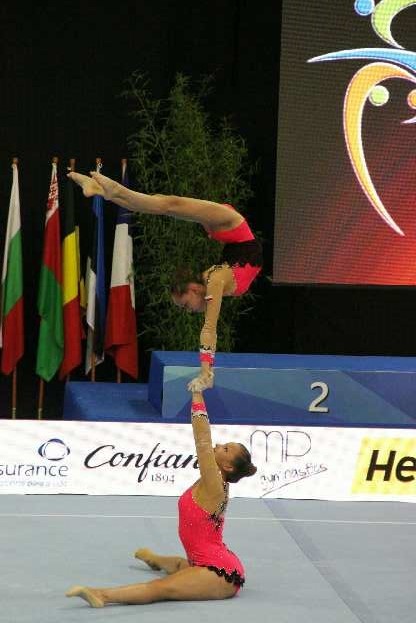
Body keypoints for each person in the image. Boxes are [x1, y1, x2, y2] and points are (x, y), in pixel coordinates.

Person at [67, 170, 263, 391]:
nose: (188, 311)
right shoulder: (213, 279)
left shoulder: (214, 279)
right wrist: (206, 373)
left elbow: (209, 328)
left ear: (194, 288)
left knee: (167, 204)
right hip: (230, 230)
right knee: (164, 203)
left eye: (185, 305)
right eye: (185, 306)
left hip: (231, 224)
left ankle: (110, 191)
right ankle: (105, 191)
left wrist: (206, 373)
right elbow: (210, 327)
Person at [65, 389, 257, 608]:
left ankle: (102, 595)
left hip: (219, 573)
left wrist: (197, 394)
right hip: (206, 559)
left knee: (160, 587)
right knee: (180, 565)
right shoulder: (211, 482)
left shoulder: (214, 484)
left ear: (228, 466)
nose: (219, 445)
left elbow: (202, 438)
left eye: (225, 449)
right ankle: (155, 559)